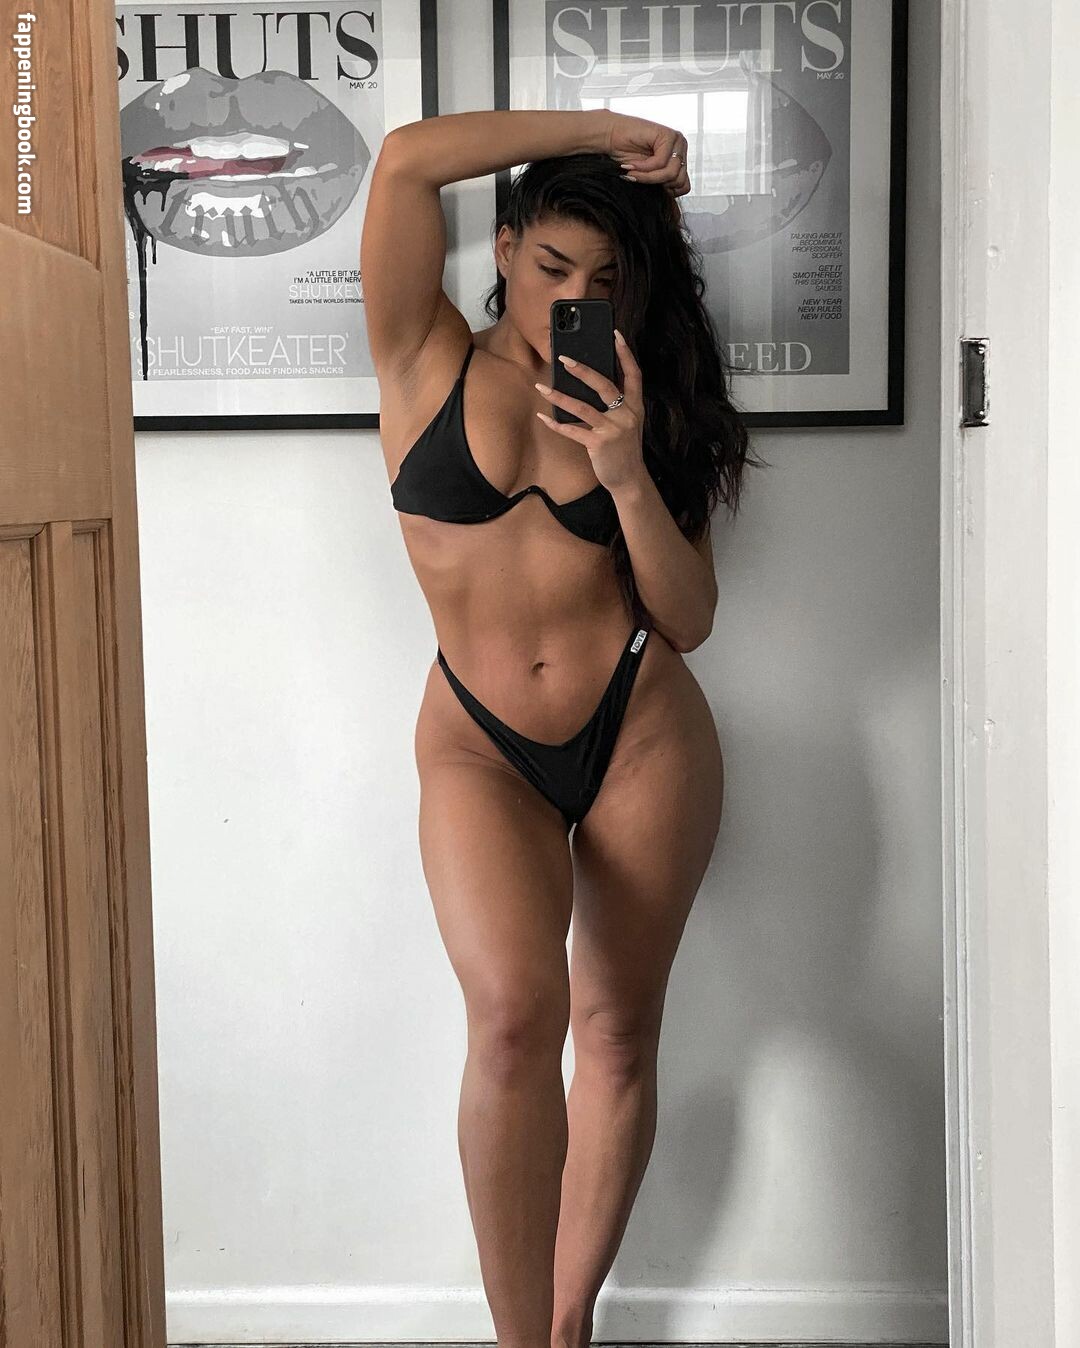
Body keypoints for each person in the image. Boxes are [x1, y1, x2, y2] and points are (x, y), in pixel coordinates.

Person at [361, 107, 761, 1348]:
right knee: (514, 1021)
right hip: (482, 743)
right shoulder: (420, 351)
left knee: (619, 1033)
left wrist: (629, 471)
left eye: (603, 280)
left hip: (640, 729)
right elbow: (404, 162)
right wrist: (604, 131)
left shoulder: (643, 400)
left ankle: (568, 1321)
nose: (572, 298)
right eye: (549, 267)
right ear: (504, 245)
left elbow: (689, 617)